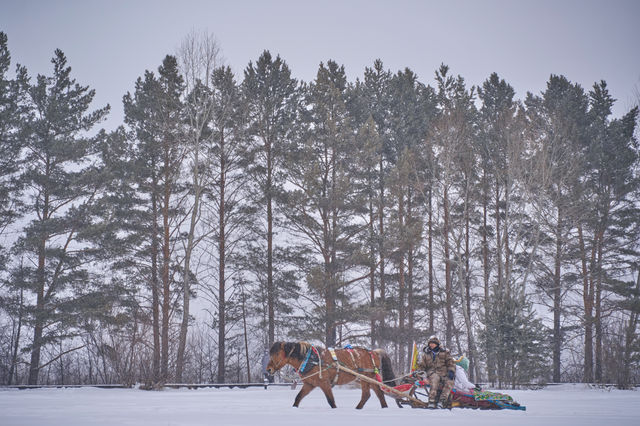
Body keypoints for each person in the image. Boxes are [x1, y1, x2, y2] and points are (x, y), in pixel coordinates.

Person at [417, 335, 455, 408]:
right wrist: (423, 377)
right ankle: (431, 401)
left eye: (433, 343)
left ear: (437, 344)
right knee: (435, 379)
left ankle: (442, 401)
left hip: (444, 373)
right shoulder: (426, 354)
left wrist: (451, 371)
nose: (431, 345)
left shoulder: (445, 353)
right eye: (430, 343)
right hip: (432, 372)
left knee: (449, 382)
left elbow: (451, 363)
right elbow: (421, 367)